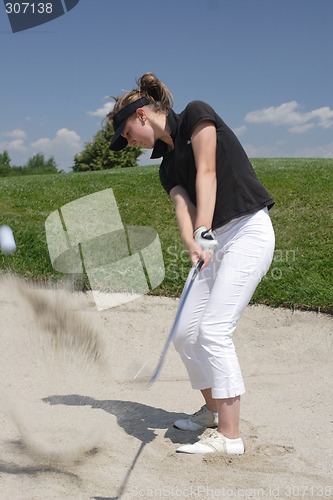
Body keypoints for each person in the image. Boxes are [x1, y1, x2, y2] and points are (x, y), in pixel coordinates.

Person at [108, 72, 275, 455]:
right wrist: (193, 241)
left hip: (248, 230)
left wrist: (203, 230)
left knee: (214, 330)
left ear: (142, 116)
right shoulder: (166, 167)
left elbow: (207, 171)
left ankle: (230, 437)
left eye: (127, 133)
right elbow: (184, 207)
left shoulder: (197, 114)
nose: (129, 142)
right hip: (213, 241)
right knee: (185, 333)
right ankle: (213, 410)